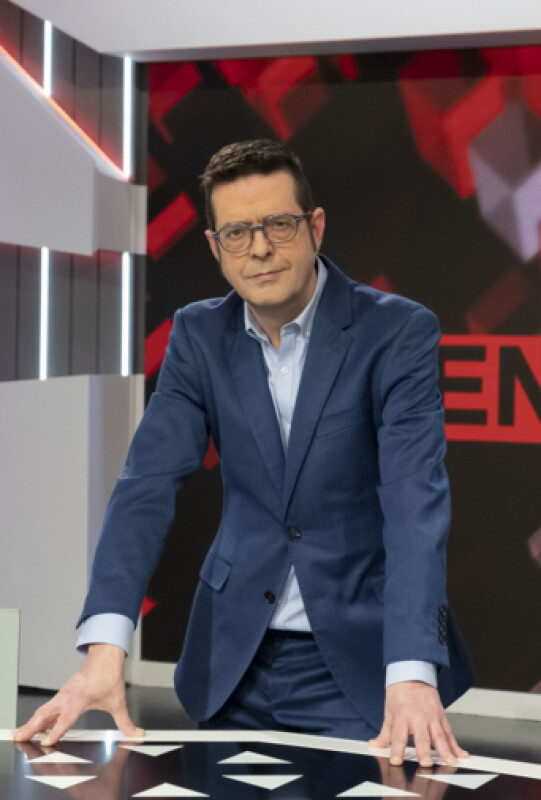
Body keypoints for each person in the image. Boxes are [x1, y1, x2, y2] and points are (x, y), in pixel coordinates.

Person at [14, 139, 473, 766]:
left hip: (359, 661)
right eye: (237, 233)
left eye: (278, 225)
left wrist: (413, 670)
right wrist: (104, 649)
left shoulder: (396, 332)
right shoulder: (198, 334)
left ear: (314, 227)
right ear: (214, 246)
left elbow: (414, 502)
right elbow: (146, 486)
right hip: (231, 661)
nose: (259, 249)